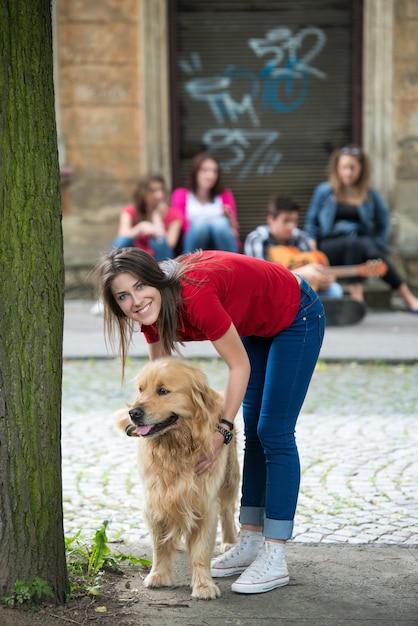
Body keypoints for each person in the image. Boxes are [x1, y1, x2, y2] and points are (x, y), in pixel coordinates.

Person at [94, 247, 325, 595]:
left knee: (273, 431)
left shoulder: (195, 296)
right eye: (123, 296)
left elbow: (238, 367)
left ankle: (274, 554)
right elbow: (163, 379)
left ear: (155, 279)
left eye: (140, 286)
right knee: (257, 433)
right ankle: (249, 539)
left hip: (295, 312)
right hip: (255, 323)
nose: (136, 301)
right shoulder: (151, 316)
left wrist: (221, 432)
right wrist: (149, 426)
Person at [305, 145, 418, 312]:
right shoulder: (324, 191)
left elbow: (384, 220)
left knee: (365, 248)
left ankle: (359, 300)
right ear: (337, 168)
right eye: (344, 167)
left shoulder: (370, 194)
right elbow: (311, 220)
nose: (348, 172)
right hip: (330, 244)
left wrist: (379, 243)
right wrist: (311, 242)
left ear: (361, 169)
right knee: (358, 245)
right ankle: (406, 298)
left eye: (353, 168)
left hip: (360, 242)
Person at [244, 194, 344, 299]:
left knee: (334, 290)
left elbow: (312, 265)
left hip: (299, 290)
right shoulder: (257, 239)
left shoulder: (300, 237)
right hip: (270, 295)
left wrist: (323, 280)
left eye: (294, 221)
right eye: (286, 221)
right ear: (271, 220)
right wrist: (300, 273)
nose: (291, 226)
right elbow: (262, 279)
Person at [171, 153, 240, 253]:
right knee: (200, 224)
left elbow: (235, 229)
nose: (210, 176)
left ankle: (233, 265)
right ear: (195, 172)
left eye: (214, 171)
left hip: (220, 246)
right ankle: (190, 266)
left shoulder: (224, 194)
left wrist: (230, 223)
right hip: (193, 246)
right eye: (205, 170)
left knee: (220, 224)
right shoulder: (181, 194)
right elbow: (180, 228)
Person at [112, 172, 182, 262]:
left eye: (161, 190)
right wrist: (141, 227)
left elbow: (169, 245)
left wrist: (157, 220)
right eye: (153, 191)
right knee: (122, 240)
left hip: (159, 261)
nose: (159, 195)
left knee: (158, 240)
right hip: (135, 259)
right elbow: (122, 237)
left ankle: (163, 275)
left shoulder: (175, 215)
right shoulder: (129, 211)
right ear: (143, 193)